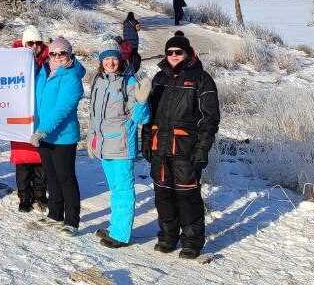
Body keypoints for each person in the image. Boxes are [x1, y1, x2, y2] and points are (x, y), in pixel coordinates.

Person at [141, 31, 219, 259]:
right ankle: (168, 235)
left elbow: (209, 119)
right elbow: (148, 114)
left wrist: (202, 149)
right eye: (170, 52)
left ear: (188, 53)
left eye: (178, 52)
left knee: (187, 197)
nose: (174, 55)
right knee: (163, 195)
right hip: (159, 147)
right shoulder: (159, 78)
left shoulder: (201, 79)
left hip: (185, 149)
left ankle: (192, 241)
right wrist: (146, 141)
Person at [87, 37, 151, 248]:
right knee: (114, 189)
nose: (110, 62)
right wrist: (91, 139)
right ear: (101, 60)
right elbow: (94, 115)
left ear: (119, 59)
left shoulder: (129, 82)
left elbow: (141, 118)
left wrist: (142, 101)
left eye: (114, 58)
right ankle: (115, 226)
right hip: (104, 146)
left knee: (124, 190)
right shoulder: (99, 81)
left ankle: (121, 235)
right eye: (106, 59)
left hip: (122, 146)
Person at [29, 37, 85, 234]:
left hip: (63, 137)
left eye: (62, 53)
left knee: (66, 178)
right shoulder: (44, 72)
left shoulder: (72, 77)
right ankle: (55, 213)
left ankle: (72, 220)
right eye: (54, 53)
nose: (58, 57)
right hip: (43, 135)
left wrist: (43, 130)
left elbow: (62, 109)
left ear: (69, 54)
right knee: (51, 176)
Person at [10, 25, 50, 213]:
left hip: (41, 117)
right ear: (24, 43)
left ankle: (40, 194)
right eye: (30, 43)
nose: (34, 46)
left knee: (41, 160)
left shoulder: (48, 63)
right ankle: (25, 196)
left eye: (38, 43)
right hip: (20, 117)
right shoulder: (12, 61)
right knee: (23, 162)